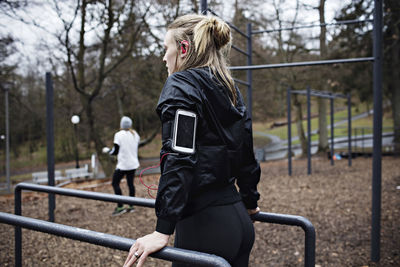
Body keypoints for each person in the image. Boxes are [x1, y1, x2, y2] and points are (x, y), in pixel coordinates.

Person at [124, 14, 260, 267]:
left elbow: (179, 157)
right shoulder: (229, 88)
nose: (164, 57)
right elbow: (246, 150)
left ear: (183, 49)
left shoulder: (181, 85)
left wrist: (162, 230)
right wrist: (250, 201)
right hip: (238, 220)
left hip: (205, 227)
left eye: (167, 49)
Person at [109, 116, 140, 216]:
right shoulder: (135, 134)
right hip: (133, 164)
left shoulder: (118, 135)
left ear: (121, 125)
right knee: (130, 184)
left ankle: (120, 206)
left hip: (123, 165)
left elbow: (115, 151)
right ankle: (131, 206)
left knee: (115, 183)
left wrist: (109, 152)